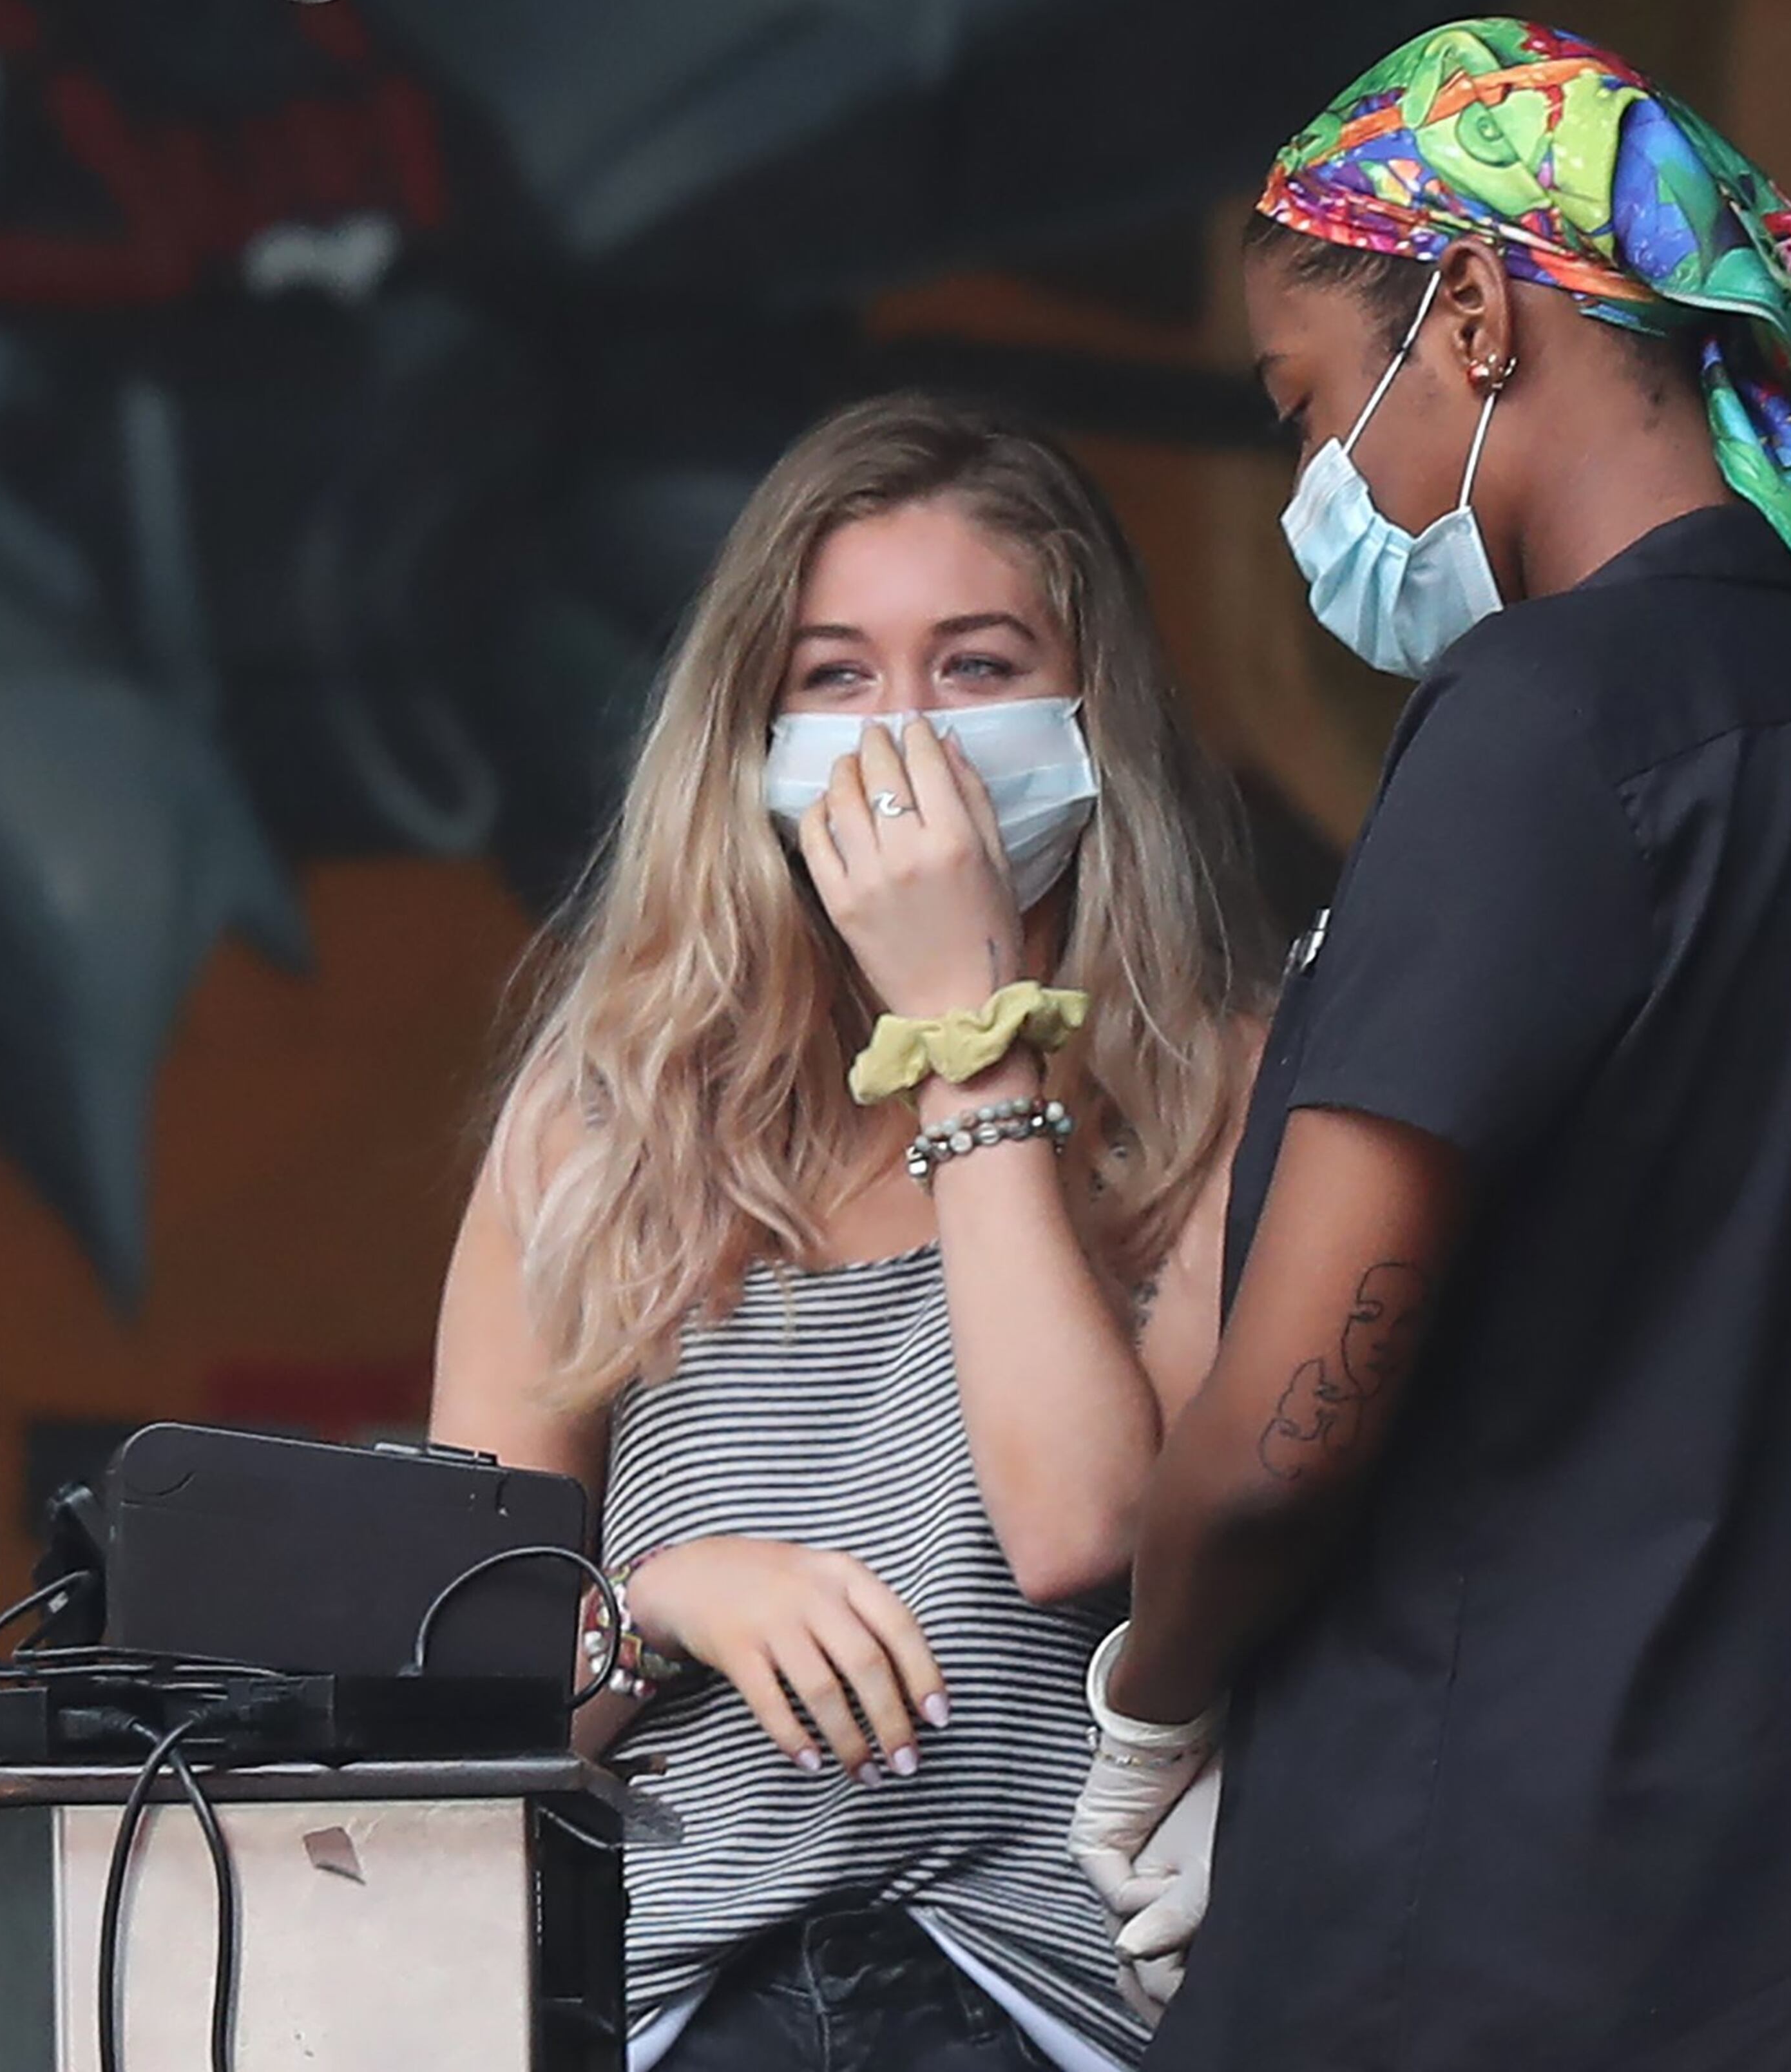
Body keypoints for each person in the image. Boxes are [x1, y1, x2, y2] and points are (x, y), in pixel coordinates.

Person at [1068, 19, 1791, 2071]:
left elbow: (1281, 1433)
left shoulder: (1541, 728)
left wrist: (1152, 1705)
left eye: (1307, 408)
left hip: (1505, 1929)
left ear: (1474, 312)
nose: (1319, 490)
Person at [430, 392, 1268, 2071]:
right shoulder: (607, 1117)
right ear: (752, 728)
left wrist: (965, 1028)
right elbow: (450, 1690)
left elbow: (1083, 1529)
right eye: (837, 677)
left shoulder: (1219, 1087)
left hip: (1040, 2004)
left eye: (975, 666)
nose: (906, 741)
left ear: (1090, 711)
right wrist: (664, 1600)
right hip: (679, 2002)